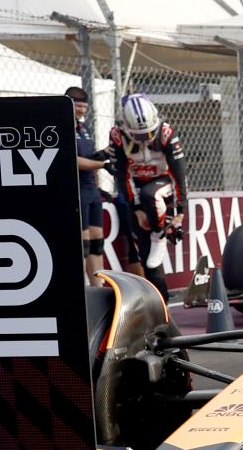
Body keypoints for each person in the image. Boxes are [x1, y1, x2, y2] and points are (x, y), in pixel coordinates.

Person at [105, 94, 190, 297]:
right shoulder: (117, 136)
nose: (145, 138)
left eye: (149, 133)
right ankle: (162, 305)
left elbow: (179, 173)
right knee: (147, 258)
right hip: (136, 192)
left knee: (149, 194)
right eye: (139, 135)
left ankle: (159, 234)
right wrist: (135, 209)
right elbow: (121, 174)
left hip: (164, 185)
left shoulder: (167, 133)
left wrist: (180, 210)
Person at [67, 85, 111, 283]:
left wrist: (103, 157)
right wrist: (102, 164)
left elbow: (90, 159)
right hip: (77, 191)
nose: (82, 111)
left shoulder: (85, 128)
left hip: (92, 191)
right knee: (83, 244)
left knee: (97, 243)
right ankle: (81, 291)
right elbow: (73, 160)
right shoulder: (63, 126)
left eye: (84, 107)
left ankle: (97, 287)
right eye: (78, 106)